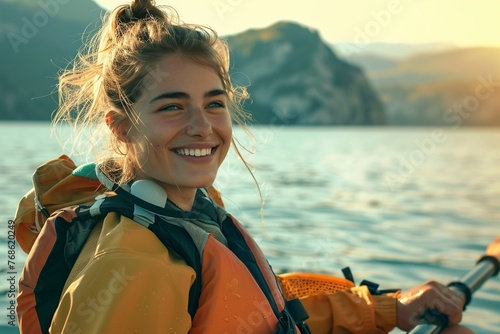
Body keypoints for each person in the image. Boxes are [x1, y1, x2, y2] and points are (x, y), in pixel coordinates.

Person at [13, 0, 496, 333]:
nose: (202, 127)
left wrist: (389, 309)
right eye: (172, 107)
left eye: (214, 103)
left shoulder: (189, 213)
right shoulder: (133, 264)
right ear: (121, 128)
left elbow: (266, 312)